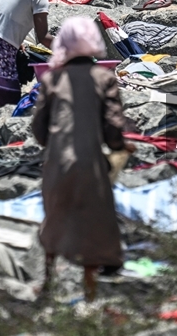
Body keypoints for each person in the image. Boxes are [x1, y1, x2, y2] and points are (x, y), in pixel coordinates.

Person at [33, 17, 134, 302]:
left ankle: (48, 281)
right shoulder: (104, 78)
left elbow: (39, 129)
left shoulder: (51, 79)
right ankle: (89, 291)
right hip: (89, 163)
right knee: (94, 222)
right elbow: (113, 127)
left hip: (56, 163)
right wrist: (119, 146)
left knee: (54, 218)